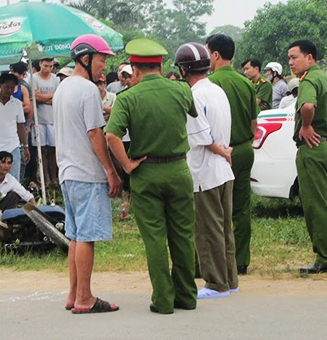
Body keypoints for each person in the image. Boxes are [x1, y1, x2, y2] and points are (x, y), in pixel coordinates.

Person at [107, 38, 198, 314]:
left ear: (134, 70)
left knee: (155, 239)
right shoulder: (181, 90)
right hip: (179, 170)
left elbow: (111, 135)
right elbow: (192, 112)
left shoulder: (128, 98)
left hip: (146, 173)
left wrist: (127, 165)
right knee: (183, 235)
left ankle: (163, 300)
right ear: (160, 65)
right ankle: (186, 296)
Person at [53, 34, 121, 314]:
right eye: (102, 59)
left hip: (67, 172)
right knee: (86, 237)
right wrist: (111, 171)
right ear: (85, 58)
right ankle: (84, 298)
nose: (104, 66)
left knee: (76, 236)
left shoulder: (62, 88)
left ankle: (74, 295)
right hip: (87, 172)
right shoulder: (88, 90)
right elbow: (95, 133)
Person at [175, 42, 239, 299]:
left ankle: (215, 282)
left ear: (183, 69)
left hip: (205, 172)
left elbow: (202, 136)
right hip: (223, 170)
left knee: (208, 230)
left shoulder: (194, 96)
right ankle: (230, 279)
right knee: (225, 229)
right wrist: (224, 151)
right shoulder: (216, 90)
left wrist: (221, 150)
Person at [288, 40, 327, 274]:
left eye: (294, 57)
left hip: (313, 148)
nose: (291, 62)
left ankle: (326, 258)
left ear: (309, 58)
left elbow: (308, 106)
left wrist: (306, 126)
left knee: (316, 205)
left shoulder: (309, 79)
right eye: (289, 58)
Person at [206, 34, 259, 276]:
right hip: (244, 149)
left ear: (215, 55)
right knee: (241, 207)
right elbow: (253, 124)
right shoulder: (246, 83)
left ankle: (215, 262)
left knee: (214, 210)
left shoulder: (209, 84)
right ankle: (240, 261)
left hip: (218, 152)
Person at [0, 73, 29, 181]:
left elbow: (20, 126)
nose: (10, 90)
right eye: (7, 87)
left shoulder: (17, 103)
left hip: (13, 146)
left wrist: (25, 146)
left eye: (13, 88)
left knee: (14, 180)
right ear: (0, 85)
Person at [33, 57, 59, 187]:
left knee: (53, 149)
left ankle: (54, 177)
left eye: (50, 66)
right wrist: (50, 96)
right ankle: (46, 178)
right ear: (40, 64)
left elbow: (58, 97)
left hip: (53, 119)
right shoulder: (34, 78)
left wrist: (42, 98)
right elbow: (35, 97)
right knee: (42, 150)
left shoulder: (56, 79)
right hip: (39, 119)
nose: (48, 69)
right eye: (45, 66)